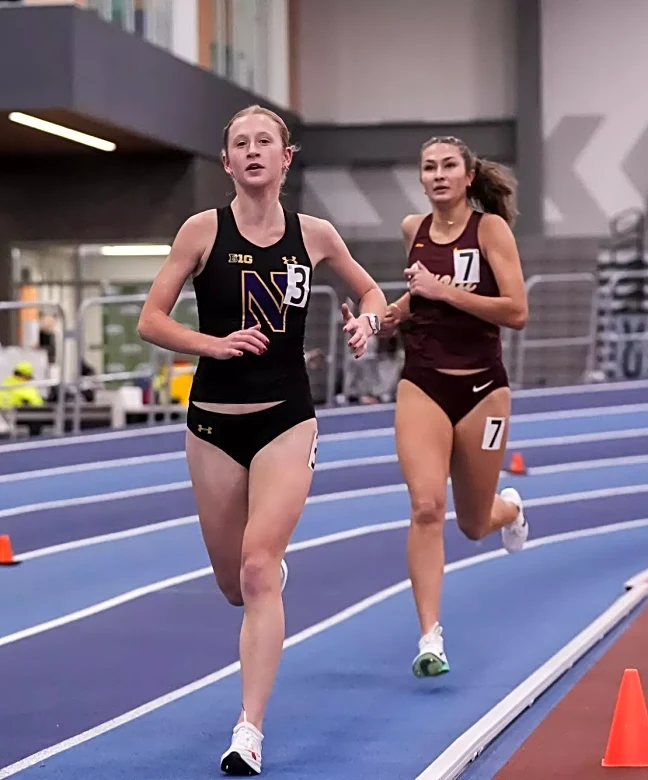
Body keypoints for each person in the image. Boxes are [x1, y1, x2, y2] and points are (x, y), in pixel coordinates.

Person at [137, 104, 386, 775]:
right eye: (240, 143)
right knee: (232, 584)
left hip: (286, 418)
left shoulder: (316, 234)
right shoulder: (201, 231)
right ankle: (263, 575)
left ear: (286, 158)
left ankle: (249, 728)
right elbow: (151, 319)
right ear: (226, 163)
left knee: (255, 570)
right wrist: (210, 344)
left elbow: (371, 293)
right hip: (215, 424)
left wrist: (369, 324)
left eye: (264, 142)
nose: (252, 151)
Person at [379, 136, 530, 678]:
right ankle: (430, 636)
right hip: (422, 384)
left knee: (471, 523)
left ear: (468, 177)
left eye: (449, 166)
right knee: (426, 508)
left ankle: (509, 509)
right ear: (421, 179)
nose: (438, 174)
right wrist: (383, 319)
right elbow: (417, 298)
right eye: (429, 167)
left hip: (483, 391)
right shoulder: (412, 230)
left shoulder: (490, 230)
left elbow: (515, 311)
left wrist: (444, 292)